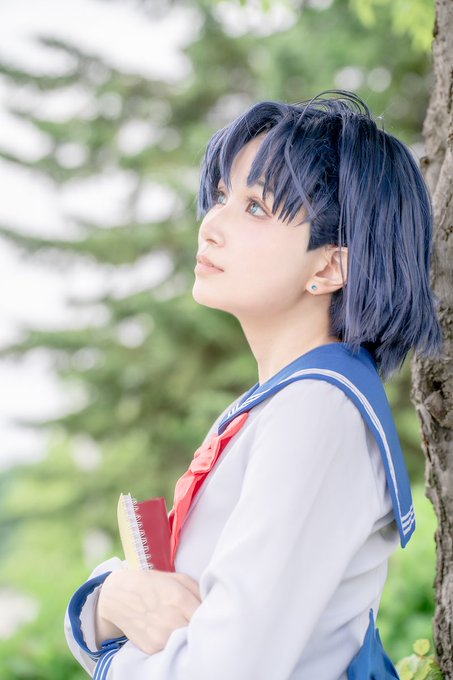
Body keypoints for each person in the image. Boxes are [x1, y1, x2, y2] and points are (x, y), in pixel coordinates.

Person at [64, 90, 442, 679]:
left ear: (329, 266)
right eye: (221, 197)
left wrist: (108, 640)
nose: (211, 225)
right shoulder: (281, 404)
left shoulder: (318, 410)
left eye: (256, 208)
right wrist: (107, 601)